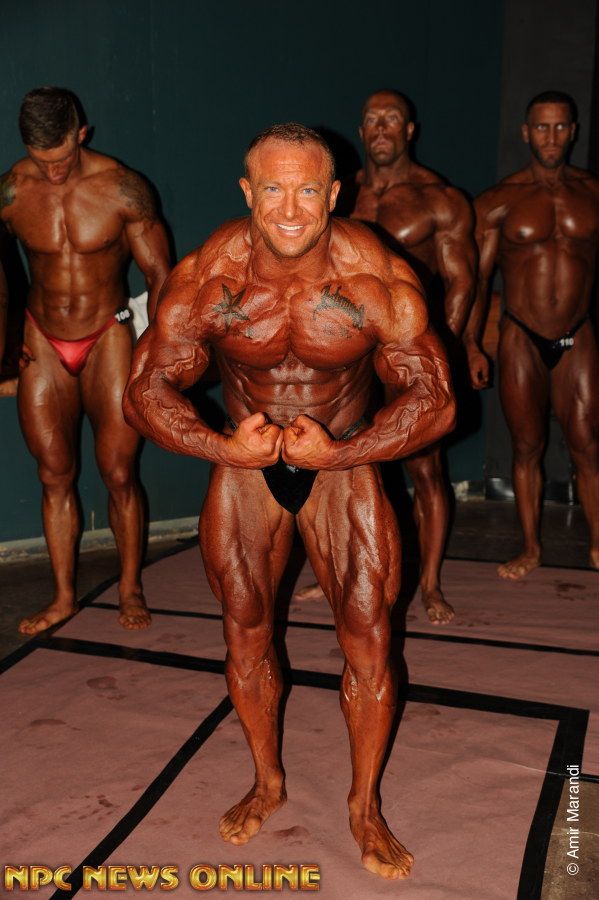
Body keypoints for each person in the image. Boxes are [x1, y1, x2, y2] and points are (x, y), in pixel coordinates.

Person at [124, 123, 455, 879]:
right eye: (273, 188)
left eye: (308, 189)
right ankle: (266, 781)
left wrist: (342, 453)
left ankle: (363, 806)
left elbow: (435, 399)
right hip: (246, 464)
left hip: (341, 462)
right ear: (247, 191)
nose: (291, 209)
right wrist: (220, 448)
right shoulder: (210, 275)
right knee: (244, 631)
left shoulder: (375, 275)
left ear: (334, 194)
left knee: (368, 636)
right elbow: (144, 389)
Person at [295, 90, 476, 624]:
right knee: (332, 466)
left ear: (409, 130)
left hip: (408, 350)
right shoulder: (340, 195)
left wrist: (441, 355)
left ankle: (430, 584)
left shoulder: (438, 198)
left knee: (425, 467)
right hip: (350, 355)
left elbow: (461, 282)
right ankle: (332, 569)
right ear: (361, 129)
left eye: (391, 119)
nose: (380, 128)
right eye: (371, 119)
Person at [0, 87, 171, 633]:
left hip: (108, 337)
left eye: (62, 159)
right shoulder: (12, 189)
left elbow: (161, 276)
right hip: (42, 340)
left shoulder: (122, 187)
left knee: (119, 472)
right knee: (54, 474)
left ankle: (130, 587)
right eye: (41, 161)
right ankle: (63, 597)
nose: (52, 174)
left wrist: (157, 353)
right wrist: (4, 345)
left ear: (81, 134)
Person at [464, 91, 599, 578]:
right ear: (526, 133)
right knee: (527, 446)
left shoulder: (593, 193)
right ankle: (530, 547)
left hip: (577, 334)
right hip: (521, 335)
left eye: (560, 126)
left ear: (573, 131)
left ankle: (598, 544)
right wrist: (471, 343)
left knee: (588, 444)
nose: (551, 136)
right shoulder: (499, 201)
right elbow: (478, 281)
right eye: (542, 127)